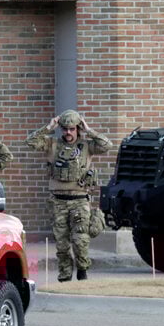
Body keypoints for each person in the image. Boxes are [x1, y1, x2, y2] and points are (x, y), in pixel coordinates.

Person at [26, 109, 112, 282]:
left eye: (72, 129)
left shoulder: (87, 145)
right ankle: (65, 276)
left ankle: (82, 271)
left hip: (80, 200)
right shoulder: (52, 144)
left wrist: (89, 131)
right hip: (58, 201)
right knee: (62, 244)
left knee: (80, 241)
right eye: (65, 129)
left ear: (77, 128)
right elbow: (31, 141)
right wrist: (48, 128)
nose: (68, 132)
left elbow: (107, 145)